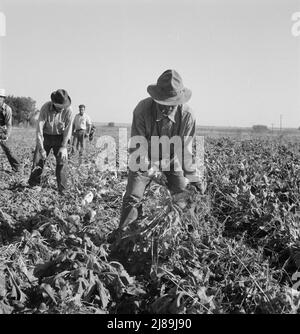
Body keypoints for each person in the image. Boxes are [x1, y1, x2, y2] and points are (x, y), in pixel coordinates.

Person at [111, 69, 205, 240]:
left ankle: (191, 236)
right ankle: (124, 237)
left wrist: (193, 177)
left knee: (182, 195)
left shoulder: (187, 115)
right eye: (164, 102)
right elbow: (138, 149)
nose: (168, 107)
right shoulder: (142, 110)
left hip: (171, 160)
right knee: (133, 196)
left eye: (172, 103)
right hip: (143, 159)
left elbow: (185, 150)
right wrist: (153, 172)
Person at [28, 89, 73, 194]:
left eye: (64, 106)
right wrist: (41, 148)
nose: (63, 108)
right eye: (60, 106)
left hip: (60, 138)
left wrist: (64, 146)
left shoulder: (69, 110)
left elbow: (68, 129)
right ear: (54, 103)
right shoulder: (45, 108)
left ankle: (62, 189)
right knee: (38, 160)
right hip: (46, 136)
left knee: (62, 161)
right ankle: (33, 185)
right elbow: (39, 130)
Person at [0, 89, 21, 173]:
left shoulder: (7, 109)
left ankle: (17, 168)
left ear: (3, 98)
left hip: (3, 129)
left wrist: (6, 136)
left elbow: (9, 124)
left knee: (9, 150)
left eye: (0, 97)